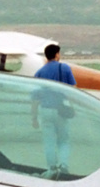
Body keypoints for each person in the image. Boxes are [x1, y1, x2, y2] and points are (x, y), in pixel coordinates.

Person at [31, 42, 76, 177]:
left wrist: (33, 117)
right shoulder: (65, 68)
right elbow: (72, 90)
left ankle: (51, 169)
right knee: (63, 140)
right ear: (57, 55)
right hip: (60, 110)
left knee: (49, 141)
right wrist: (72, 107)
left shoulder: (39, 72)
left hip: (45, 111)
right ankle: (63, 166)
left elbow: (35, 98)